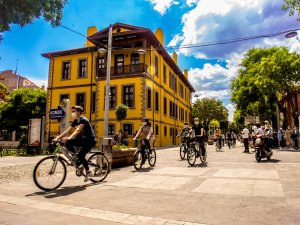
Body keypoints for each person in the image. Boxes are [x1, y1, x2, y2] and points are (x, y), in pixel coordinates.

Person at [54, 105, 96, 182]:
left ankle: (88, 172)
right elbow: (68, 130)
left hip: (90, 141)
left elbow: (78, 130)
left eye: (74, 111)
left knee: (81, 155)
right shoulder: (75, 121)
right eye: (72, 111)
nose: (72, 113)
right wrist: (58, 138)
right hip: (83, 140)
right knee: (68, 143)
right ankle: (75, 158)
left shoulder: (84, 120)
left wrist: (69, 137)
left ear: (79, 112)